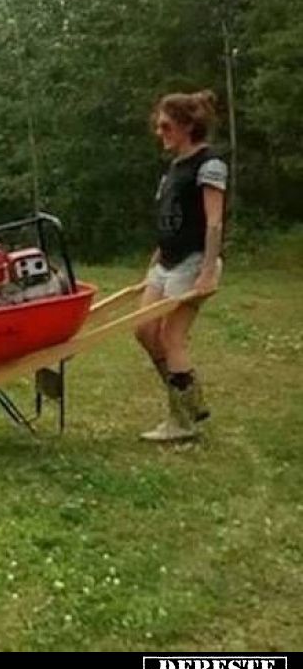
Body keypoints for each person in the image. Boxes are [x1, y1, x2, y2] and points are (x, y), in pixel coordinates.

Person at [135, 89, 227, 443]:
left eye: (166, 126)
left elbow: (214, 222)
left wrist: (207, 271)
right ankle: (190, 403)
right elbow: (170, 219)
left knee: (171, 337)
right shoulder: (174, 167)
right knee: (144, 330)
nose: (160, 132)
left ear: (188, 126)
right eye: (159, 126)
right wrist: (154, 260)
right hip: (167, 262)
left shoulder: (209, 164)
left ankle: (182, 420)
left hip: (193, 262)